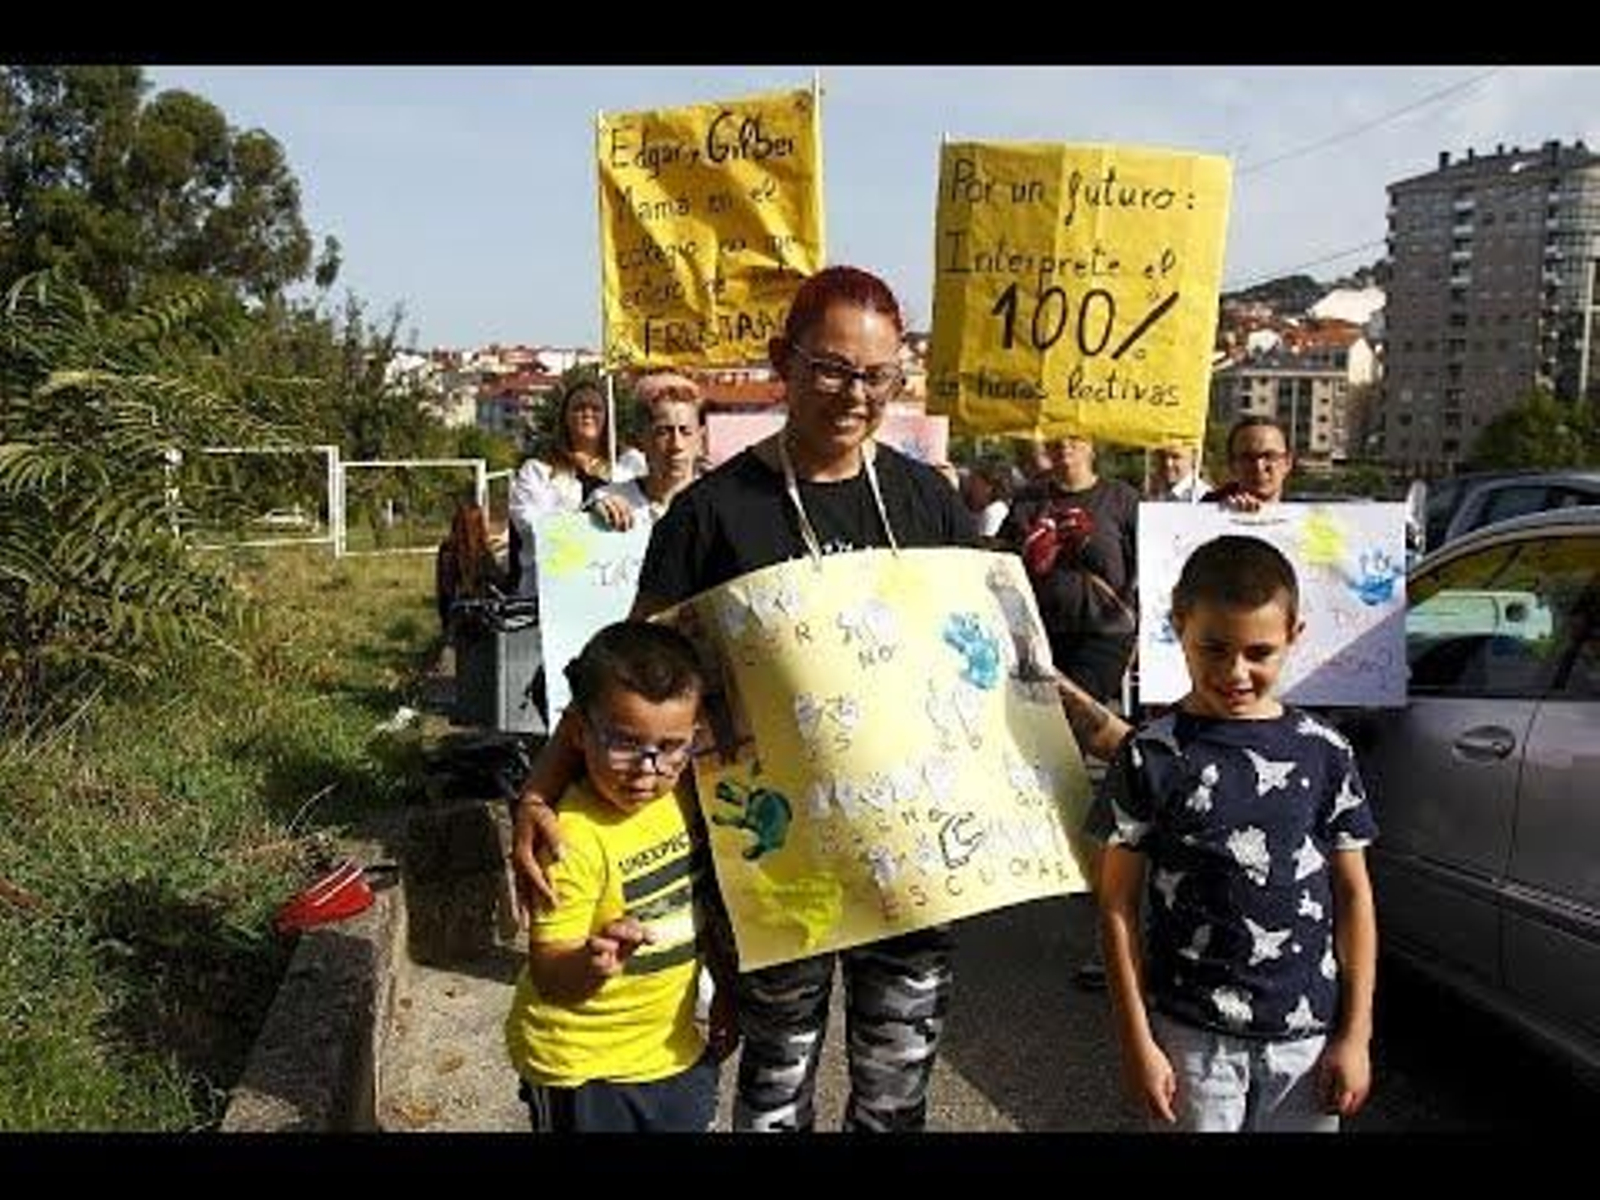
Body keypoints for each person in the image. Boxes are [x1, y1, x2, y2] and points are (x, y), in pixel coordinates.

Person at [514, 265, 987, 1133]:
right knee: (773, 1089)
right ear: (784, 361)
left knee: (895, 1095)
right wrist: (541, 789)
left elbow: (1000, 664)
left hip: (912, 858)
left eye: (876, 376)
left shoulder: (929, 504)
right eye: (832, 368)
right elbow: (629, 671)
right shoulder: (711, 513)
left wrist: (1108, 741)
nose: (854, 393)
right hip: (775, 860)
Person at [1086, 534, 1378, 1132]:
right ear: (1177, 627)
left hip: (1307, 1041)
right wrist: (1136, 1039)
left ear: (1295, 635)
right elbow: (1116, 903)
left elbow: (1354, 896)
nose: (1235, 672)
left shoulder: (1326, 752)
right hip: (1190, 1039)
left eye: (1259, 652)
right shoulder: (1151, 755)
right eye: (1213, 648)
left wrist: (1356, 1034)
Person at [503, 619, 739, 1132]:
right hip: (581, 1070)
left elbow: (701, 904)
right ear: (580, 733)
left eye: (671, 746)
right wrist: (592, 963)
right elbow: (549, 974)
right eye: (626, 743)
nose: (648, 768)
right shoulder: (571, 838)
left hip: (673, 1055)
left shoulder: (685, 799)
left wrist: (725, 987)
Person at [1000, 434, 1140, 712]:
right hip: (1039, 633)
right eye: (1056, 437)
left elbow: (1146, 567)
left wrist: (1144, 635)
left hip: (1103, 634)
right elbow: (1000, 556)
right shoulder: (1029, 498)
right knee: (1039, 721)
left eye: (1074, 437)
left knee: (1073, 718)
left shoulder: (1121, 498)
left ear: (1092, 447)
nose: (1064, 444)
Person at [507, 378, 617, 597]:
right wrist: (587, 515)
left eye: (596, 408)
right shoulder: (536, 471)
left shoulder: (628, 465)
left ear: (608, 417)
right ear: (565, 418)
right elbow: (530, 527)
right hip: (549, 593)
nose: (588, 414)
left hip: (613, 587)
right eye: (579, 408)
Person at [587, 371, 703, 533]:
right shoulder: (607, 498)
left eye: (685, 431)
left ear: (700, 437)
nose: (677, 445)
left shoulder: (720, 503)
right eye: (663, 432)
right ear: (639, 439)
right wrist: (590, 517)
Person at [434, 499, 505, 636]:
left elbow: (443, 592)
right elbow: (501, 584)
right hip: (482, 624)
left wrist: (446, 626)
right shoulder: (483, 553)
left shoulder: (446, 550)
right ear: (479, 526)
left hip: (455, 622)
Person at [1201, 415, 1295, 512]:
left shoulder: (1306, 515)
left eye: (1269, 456)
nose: (1259, 466)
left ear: (1288, 462)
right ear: (1232, 464)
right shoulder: (1203, 513)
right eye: (1247, 458)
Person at [959, 454, 1014, 540]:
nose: (969, 484)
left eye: (973, 480)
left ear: (989, 486)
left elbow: (983, 547)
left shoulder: (994, 512)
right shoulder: (982, 510)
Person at [1144, 442, 1211, 502]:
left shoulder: (1205, 498)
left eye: (1176, 457)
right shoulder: (1151, 495)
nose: (1168, 463)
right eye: (1163, 456)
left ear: (1193, 458)